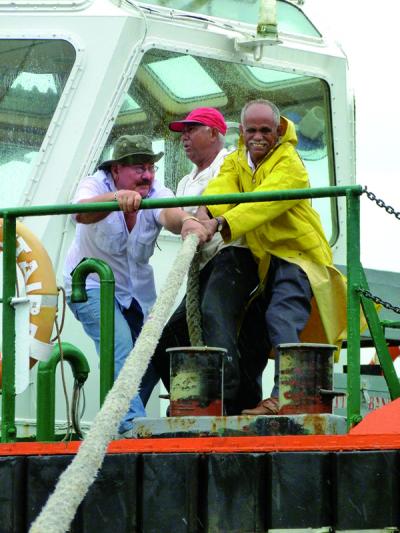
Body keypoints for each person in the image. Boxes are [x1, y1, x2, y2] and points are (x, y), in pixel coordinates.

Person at [201, 99, 347, 415]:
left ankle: (286, 398)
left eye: (265, 130)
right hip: (268, 260)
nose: (258, 137)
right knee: (254, 328)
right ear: (242, 131)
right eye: (251, 130)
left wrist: (220, 222)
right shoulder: (236, 160)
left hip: (299, 256)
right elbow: (222, 187)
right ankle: (242, 401)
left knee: (281, 316)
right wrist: (204, 212)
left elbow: (263, 203)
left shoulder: (290, 163)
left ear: (278, 131)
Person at [63, 134, 208, 434]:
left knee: (153, 356)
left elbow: (168, 213)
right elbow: (80, 211)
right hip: (91, 285)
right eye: (139, 168)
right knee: (120, 345)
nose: (147, 175)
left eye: (151, 168)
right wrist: (115, 199)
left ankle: (119, 420)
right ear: (116, 170)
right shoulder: (96, 184)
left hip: (137, 295)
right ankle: (129, 425)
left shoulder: (155, 191)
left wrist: (187, 222)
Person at [150, 107, 264, 414]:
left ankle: (225, 398)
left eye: (191, 130)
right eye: (182, 132)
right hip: (204, 265)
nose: (184, 137)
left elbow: (232, 195)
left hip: (233, 255)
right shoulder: (185, 182)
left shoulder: (230, 163)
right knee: (169, 337)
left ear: (214, 133)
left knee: (214, 312)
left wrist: (205, 220)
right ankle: (192, 399)